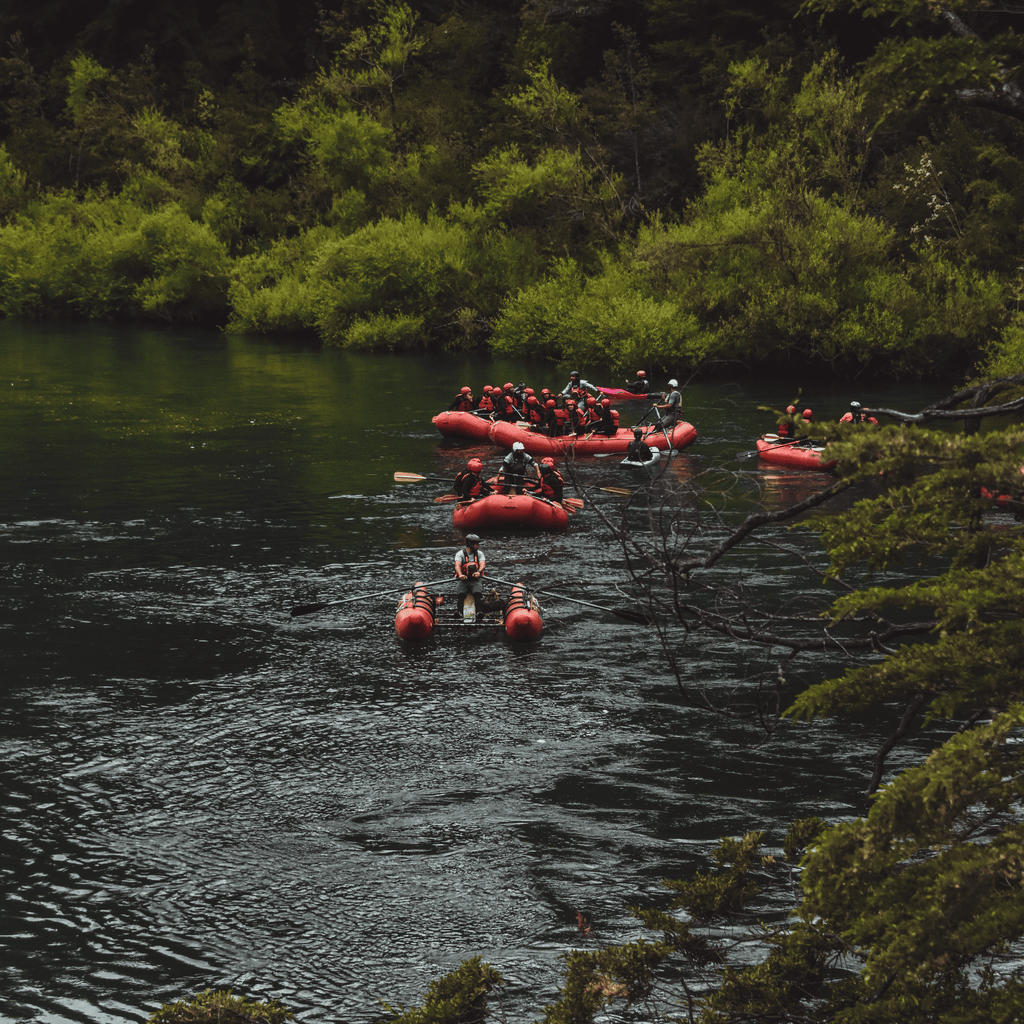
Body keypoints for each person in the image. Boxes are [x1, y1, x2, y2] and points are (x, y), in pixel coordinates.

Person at [454, 533, 486, 614]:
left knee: (477, 593)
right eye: (476, 544)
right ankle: (459, 612)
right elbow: (457, 565)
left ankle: (479, 612)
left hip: (475, 580)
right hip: (464, 580)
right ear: (470, 544)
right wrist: (460, 574)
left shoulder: (479, 553)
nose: (478, 545)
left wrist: (478, 572)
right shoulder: (460, 554)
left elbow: (482, 564)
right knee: (461, 594)